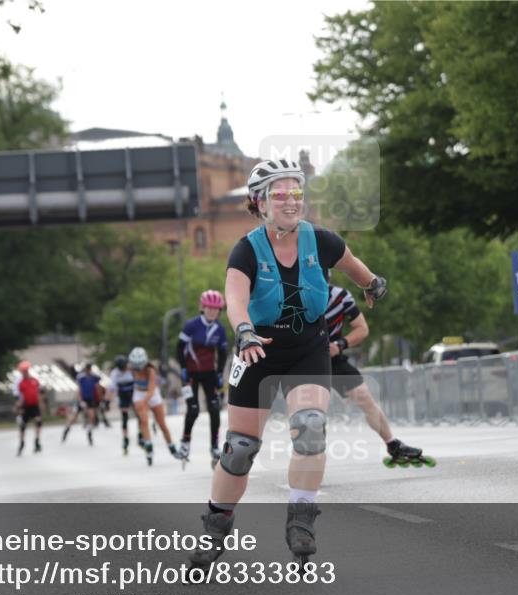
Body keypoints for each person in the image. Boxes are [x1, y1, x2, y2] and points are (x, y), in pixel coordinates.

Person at [189, 157, 388, 568]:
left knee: (311, 427)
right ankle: (215, 527)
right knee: (240, 449)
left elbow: (354, 267)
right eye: (280, 194)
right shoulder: (246, 249)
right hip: (256, 348)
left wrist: (372, 284)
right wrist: (243, 329)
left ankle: (301, 517)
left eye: (296, 193)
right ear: (260, 203)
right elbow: (236, 299)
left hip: (307, 348)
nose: (291, 201)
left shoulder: (322, 240)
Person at [325, 283, 433, 468]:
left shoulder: (339, 296)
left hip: (333, 358)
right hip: (305, 360)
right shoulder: (293, 293)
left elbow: (362, 329)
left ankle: (392, 444)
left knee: (365, 397)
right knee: (311, 411)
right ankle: (309, 455)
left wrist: (340, 344)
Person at [177, 290, 229, 466]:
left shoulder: (219, 329)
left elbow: (222, 353)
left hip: (209, 374)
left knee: (215, 409)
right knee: (193, 410)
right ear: (203, 307)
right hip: (190, 375)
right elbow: (179, 349)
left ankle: (214, 446)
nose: (212, 312)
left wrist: (220, 373)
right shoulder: (191, 325)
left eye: (216, 309)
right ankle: (185, 442)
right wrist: (183, 369)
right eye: (209, 308)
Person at [128, 347, 177, 466]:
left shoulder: (151, 371)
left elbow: (150, 390)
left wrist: (143, 401)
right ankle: (148, 445)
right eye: (136, 366)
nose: (138, 369)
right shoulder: (131, 369)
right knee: (144, 421)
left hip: (152, 394)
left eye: (140, 366)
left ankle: (171, 446)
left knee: (162, 424)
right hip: (139, 393)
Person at [62, 363, 100, 445]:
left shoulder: (94, 377)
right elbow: (79, 390)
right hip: (82, 400)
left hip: (91, 400)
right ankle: (67, 430)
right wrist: (80, 400)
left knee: (91, 416)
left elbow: (97, 388)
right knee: (74, 417)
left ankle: (89, 434)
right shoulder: (81, 378)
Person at [108, 355, 136, 454]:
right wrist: (108, 400)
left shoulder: (131, 369)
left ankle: (141, 434)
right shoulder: (115, 373)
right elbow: (112, 388)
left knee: (140, 413)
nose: (123, 370)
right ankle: (125, 438)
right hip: (122, 395)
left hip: (133, 392)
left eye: (124, 368)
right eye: (122, 369)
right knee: (124, 417)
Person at [14, 361, 43, 456]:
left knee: (38, 421)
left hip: (34, 405)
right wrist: (19, 408)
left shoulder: (34, 380)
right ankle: (22, 443)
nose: (25, 372)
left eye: (26, 371)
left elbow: (39, 393)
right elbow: (19, 397)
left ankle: (37, 441)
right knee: (23, 425)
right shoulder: (20, 383)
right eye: (23, 371)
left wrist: (41, 404)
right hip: (25, 406)